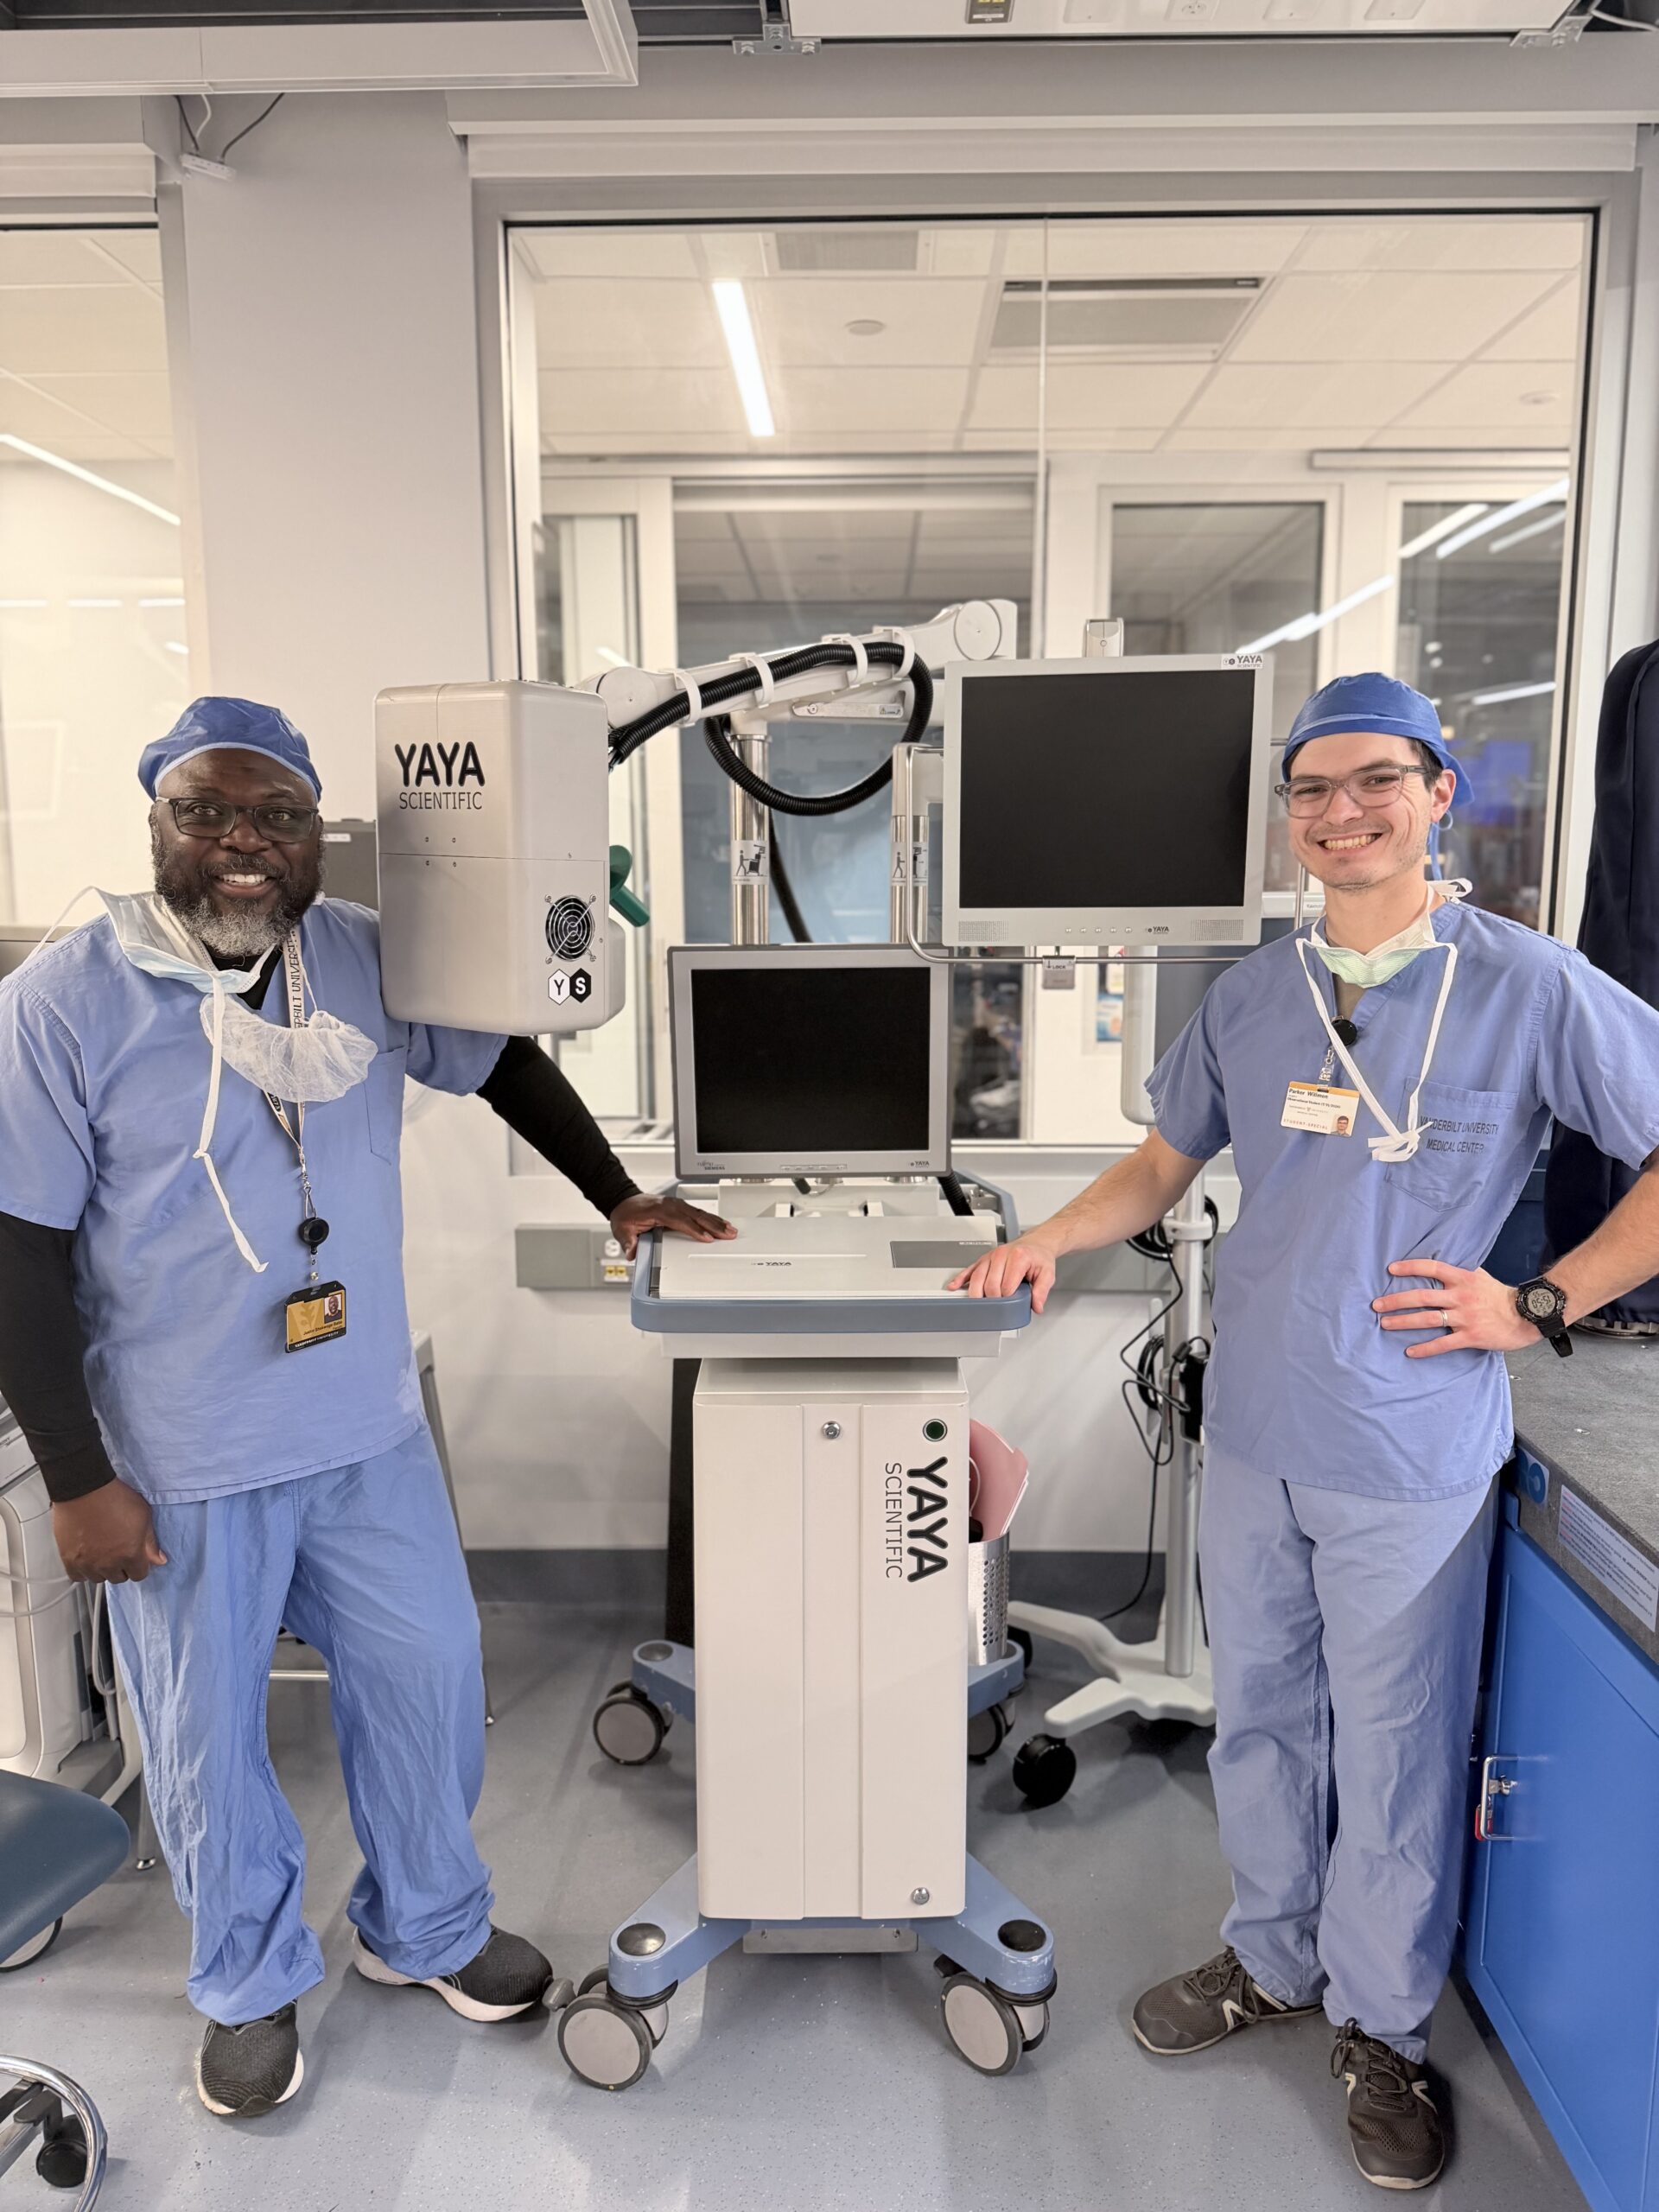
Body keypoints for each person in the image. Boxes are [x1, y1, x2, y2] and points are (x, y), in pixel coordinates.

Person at [950, 671, 1659, 2190]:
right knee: (1262, 1718)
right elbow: (1162, 1163)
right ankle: (1271, 1956)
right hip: (1262, 1426)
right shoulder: (1256, 995)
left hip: (1406, 1443)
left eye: (1376, 781)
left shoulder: (1528, 985)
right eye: (1313, 789)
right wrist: (1049, 1240)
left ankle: (1381, 2023)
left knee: (1398, 1747)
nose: (1344, 814)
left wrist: (1543, 1302)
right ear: (1288, 816)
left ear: (1438, 792)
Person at [0, 697, 734, 2120]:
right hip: (184, 1451)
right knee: (208, 1746)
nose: (243, 843)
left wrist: (618, 1194)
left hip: (363, 1428)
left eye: (277, 816)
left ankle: (428, 1929)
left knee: (429, 1680)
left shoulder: (363, 956)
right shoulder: (60, 1004)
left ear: (316, 832)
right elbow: (15, 1251)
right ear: (155, 821)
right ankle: (247, 1981)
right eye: (207, 811)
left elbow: (505, 1057)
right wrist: (78, 1478)